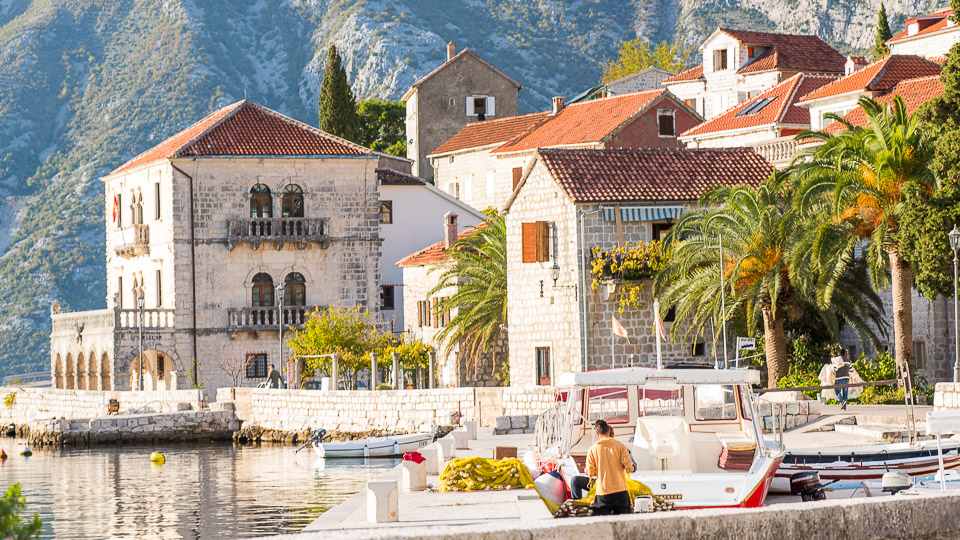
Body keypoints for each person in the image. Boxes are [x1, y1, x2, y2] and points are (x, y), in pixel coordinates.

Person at [584, 419, 636, 515]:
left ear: (597, 433)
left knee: (602, 525)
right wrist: (633, 467)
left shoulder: (592, 450)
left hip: (603, 494)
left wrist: (587, 470)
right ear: (609, 430)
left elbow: (591, 473)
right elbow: (629, 467)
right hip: (621, 491)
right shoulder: (621, 447)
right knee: (623, 524)